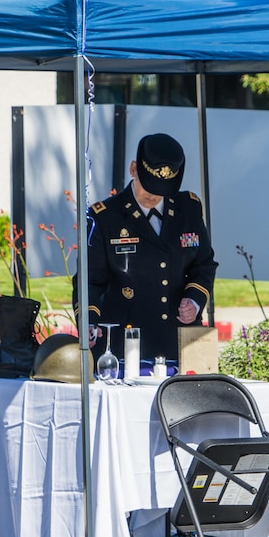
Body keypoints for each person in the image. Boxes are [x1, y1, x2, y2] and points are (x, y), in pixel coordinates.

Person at [72, 133, 217, 369]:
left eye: (162, 189)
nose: (153, 195)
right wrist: (89, 320)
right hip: (124, 345)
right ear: (133, 169)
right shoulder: (105, 217)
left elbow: (204, 265)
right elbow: (90, 281)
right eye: (149, 186)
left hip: (178, 344)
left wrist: (195, 299)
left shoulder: (188, 209)